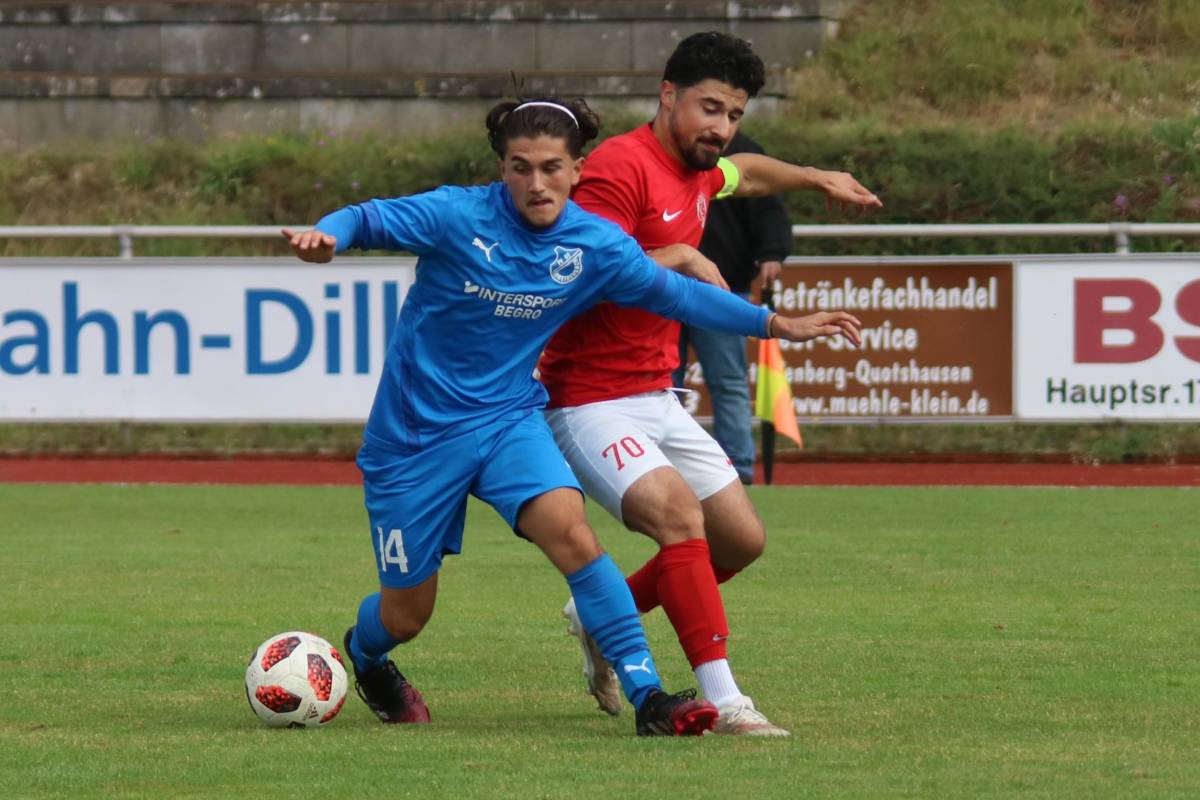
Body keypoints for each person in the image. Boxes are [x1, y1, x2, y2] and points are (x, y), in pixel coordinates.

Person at [282, 96, 864, 737]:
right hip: (415, 440)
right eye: (520, 167)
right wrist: (328, 234)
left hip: (507, 422)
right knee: (407, 615)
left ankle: (649, 697)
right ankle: (365, 656)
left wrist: (774, 324)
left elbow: (678, 294)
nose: (537, 183)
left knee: (576, 537)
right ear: (501, 169)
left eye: (551, 167)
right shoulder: (455, 215)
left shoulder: (595, 244)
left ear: (578, 168)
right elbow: (366, 218)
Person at [539, 32, 882, 736]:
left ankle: (600, 614)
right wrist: (682, 256)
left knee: (741, 542)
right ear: (667, 95)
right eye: (710, 109)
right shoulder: (619, 168)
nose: (721, 129)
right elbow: (583, 271)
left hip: (655, 393)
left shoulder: (702, 167)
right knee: (679, 519)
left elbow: (747, 175)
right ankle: (724, 699)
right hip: (590, 400)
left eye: (733, 115)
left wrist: (816, 177)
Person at [673, 131, 792, 485]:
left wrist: (773, 251)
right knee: (663, 384)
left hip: (723, 286)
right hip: (661, 287)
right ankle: (662, 468)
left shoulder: (743, 150)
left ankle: (738, 469)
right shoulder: (657, 152)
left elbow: (768, 203)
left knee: (727, 380)